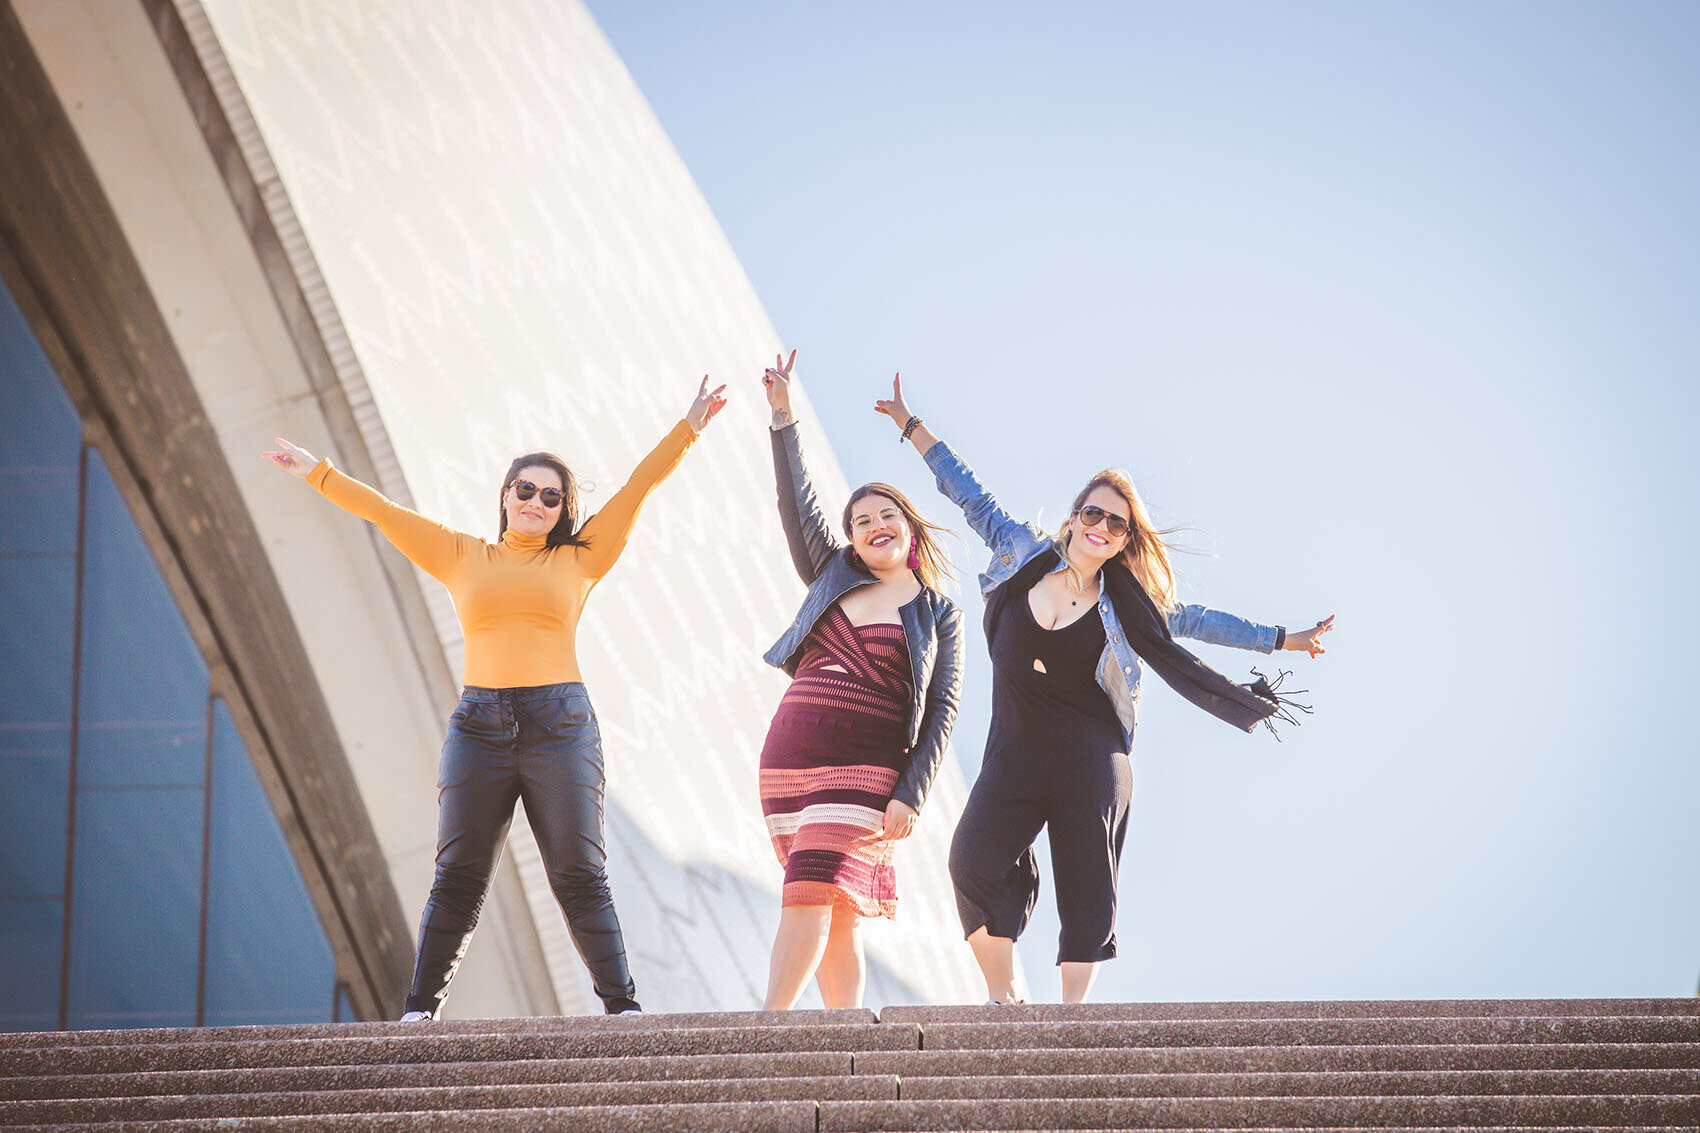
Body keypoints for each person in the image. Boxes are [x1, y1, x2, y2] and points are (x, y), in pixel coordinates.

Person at [262, 377, 728, 1018]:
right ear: (506, 497)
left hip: (561, 726)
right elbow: (384, 513)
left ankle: (622, 1010)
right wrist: (318, 472)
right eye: (525, 489)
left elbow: (637, 488)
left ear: (564, 510)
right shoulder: (462, 555)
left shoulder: (582, 559)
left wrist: (690, 425)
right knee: (458, 877)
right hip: (478, 726)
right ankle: (421, 1012)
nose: (536, 500)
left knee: (577, 875)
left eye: (551, 495)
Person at [875, 374, 1332, 1005]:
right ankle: (1005, 1002)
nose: (1102, 527)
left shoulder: (1130, 607)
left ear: (1124, 540)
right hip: (1016, 750)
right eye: (1093, 513)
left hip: (1092, 755)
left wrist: (1283, 638)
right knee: (971, 860)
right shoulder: (1020, 550)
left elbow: (1198, 621)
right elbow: (968, 494)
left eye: (1117, 524)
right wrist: (910, 425)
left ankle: (1071, 1022)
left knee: (1088, 880)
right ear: (1072, 517)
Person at [757, 351, 964, 1010]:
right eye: (861, 521)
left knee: (810, 885)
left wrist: (914, 790)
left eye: (886, 516)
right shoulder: (832, 576)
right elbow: (799, 506)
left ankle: (767, 1026)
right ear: (849, 537)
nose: (875, 526)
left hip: (868, 768)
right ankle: (844, 1032)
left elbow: (942, 708)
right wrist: (784, 418)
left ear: (909, 528)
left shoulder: (936, 611)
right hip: (792, 758)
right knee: (834, 905)